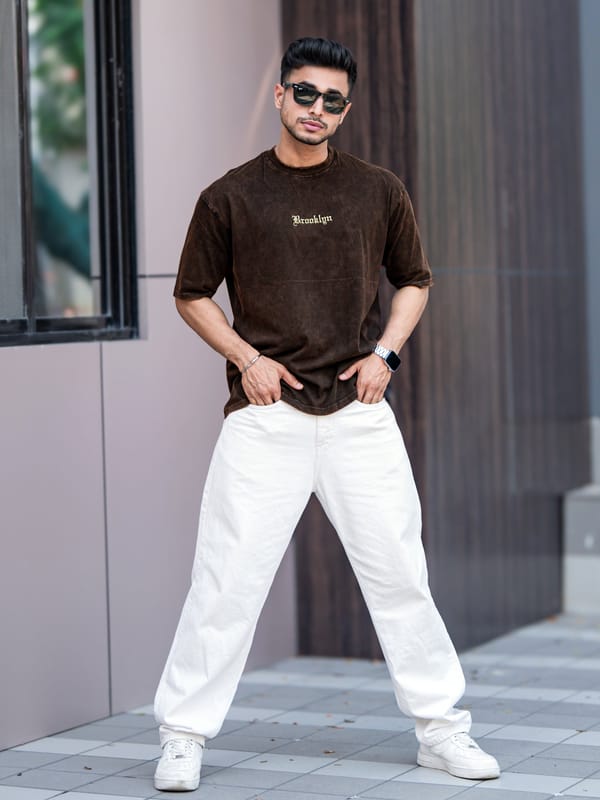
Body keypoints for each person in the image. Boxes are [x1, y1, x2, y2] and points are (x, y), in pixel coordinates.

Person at [153, 36, 500, 792]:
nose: (317, 109)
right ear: (280, 94)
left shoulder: (378, 190)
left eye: (333, 100)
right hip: (264, 414)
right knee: (224, 582)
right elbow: (190, 294)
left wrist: (386, 356)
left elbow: (414, 280)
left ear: (346, 110)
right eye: (305, 93)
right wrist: (246, 358)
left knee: (401, 576)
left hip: (358, 415)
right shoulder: (230, 195)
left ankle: (442, 731)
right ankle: (182, 735)